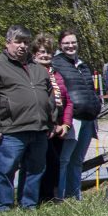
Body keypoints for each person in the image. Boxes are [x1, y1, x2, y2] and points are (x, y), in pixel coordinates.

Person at [48, 30, 102, 202]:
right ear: (60, 45)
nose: (70, 46)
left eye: (73, 42)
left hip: (88, 118)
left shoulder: (82, 65)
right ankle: (60, 196)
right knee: (64, 159)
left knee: (77, 160)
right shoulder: (57, 63)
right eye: (66, 43)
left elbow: (90, 89)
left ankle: (75, 196)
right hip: (72, 118)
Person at [26, 35, 71, 205]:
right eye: (42, 52)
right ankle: (37, 198)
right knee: (41, 163)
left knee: (56, 163)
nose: (45, 55)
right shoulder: (31, 72)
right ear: (35, 54)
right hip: (43, 125)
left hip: (60, 125)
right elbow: (39, 101)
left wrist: (66, 123)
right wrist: (50, 124)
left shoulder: (57, 73)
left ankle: (51, 196)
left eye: (49, 52)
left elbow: (68, 99)